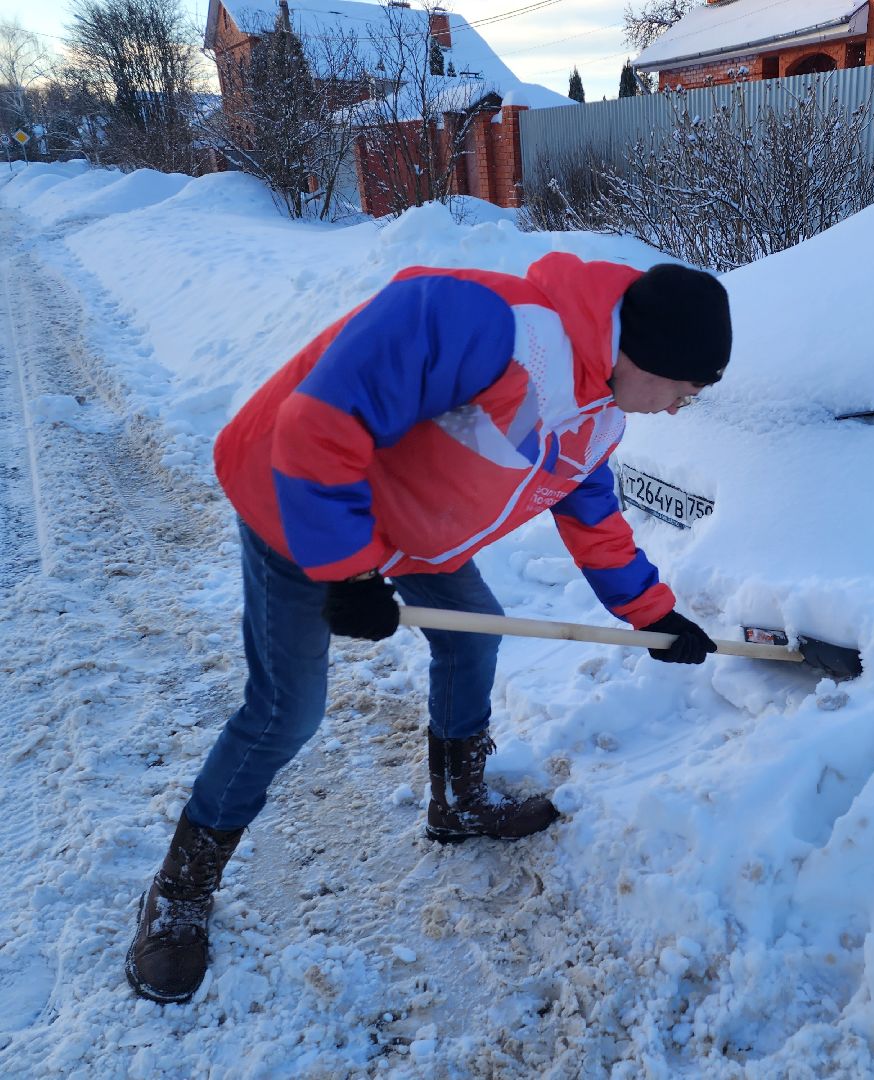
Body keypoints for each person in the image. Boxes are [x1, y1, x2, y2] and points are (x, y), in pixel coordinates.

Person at [125, 255, 730, 1005]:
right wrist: (348, 574)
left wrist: (653, 615)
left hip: (399, 526)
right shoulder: (482, 321)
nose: (679, 408)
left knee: (475, 630)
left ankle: (457, 797)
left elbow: (590, 512)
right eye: (686, 389)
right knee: (287, 710)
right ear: (654, 356)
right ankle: (179, 890)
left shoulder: (602, 408)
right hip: (296, 501)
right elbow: (316, 426)